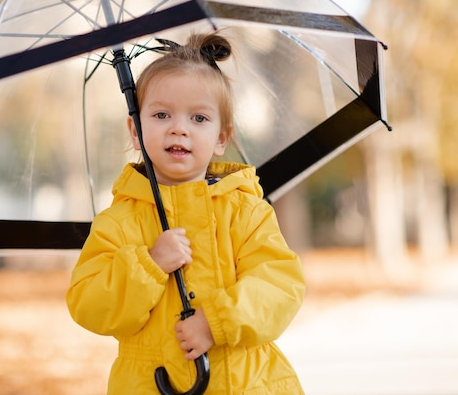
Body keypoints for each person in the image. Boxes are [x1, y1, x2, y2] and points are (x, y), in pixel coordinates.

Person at [66, 32, 306, 394]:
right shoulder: (118, 222)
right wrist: (149, 264)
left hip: (245, 383)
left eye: (199, 118)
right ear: (136, 129)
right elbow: (88, 303)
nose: (179, 127)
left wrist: (217, 321)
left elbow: (279, 287)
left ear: (222, 138)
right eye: (161, 114)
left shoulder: (245, 212)